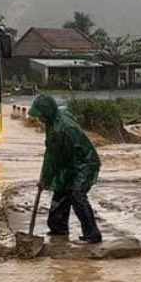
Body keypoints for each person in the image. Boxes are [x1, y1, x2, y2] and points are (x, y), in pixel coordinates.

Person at [28, 94, 102, 243]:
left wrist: (44, 180)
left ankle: (92, 234)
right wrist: (46, 178)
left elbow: (53, 161)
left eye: (40, 115)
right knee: (61, 190)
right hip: (70, 162)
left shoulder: (60, 129)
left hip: (85, 163)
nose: (39, 119)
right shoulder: (57, 116)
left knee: (76, 194)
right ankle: (58, 228)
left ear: (46, 113)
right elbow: (51, 153)